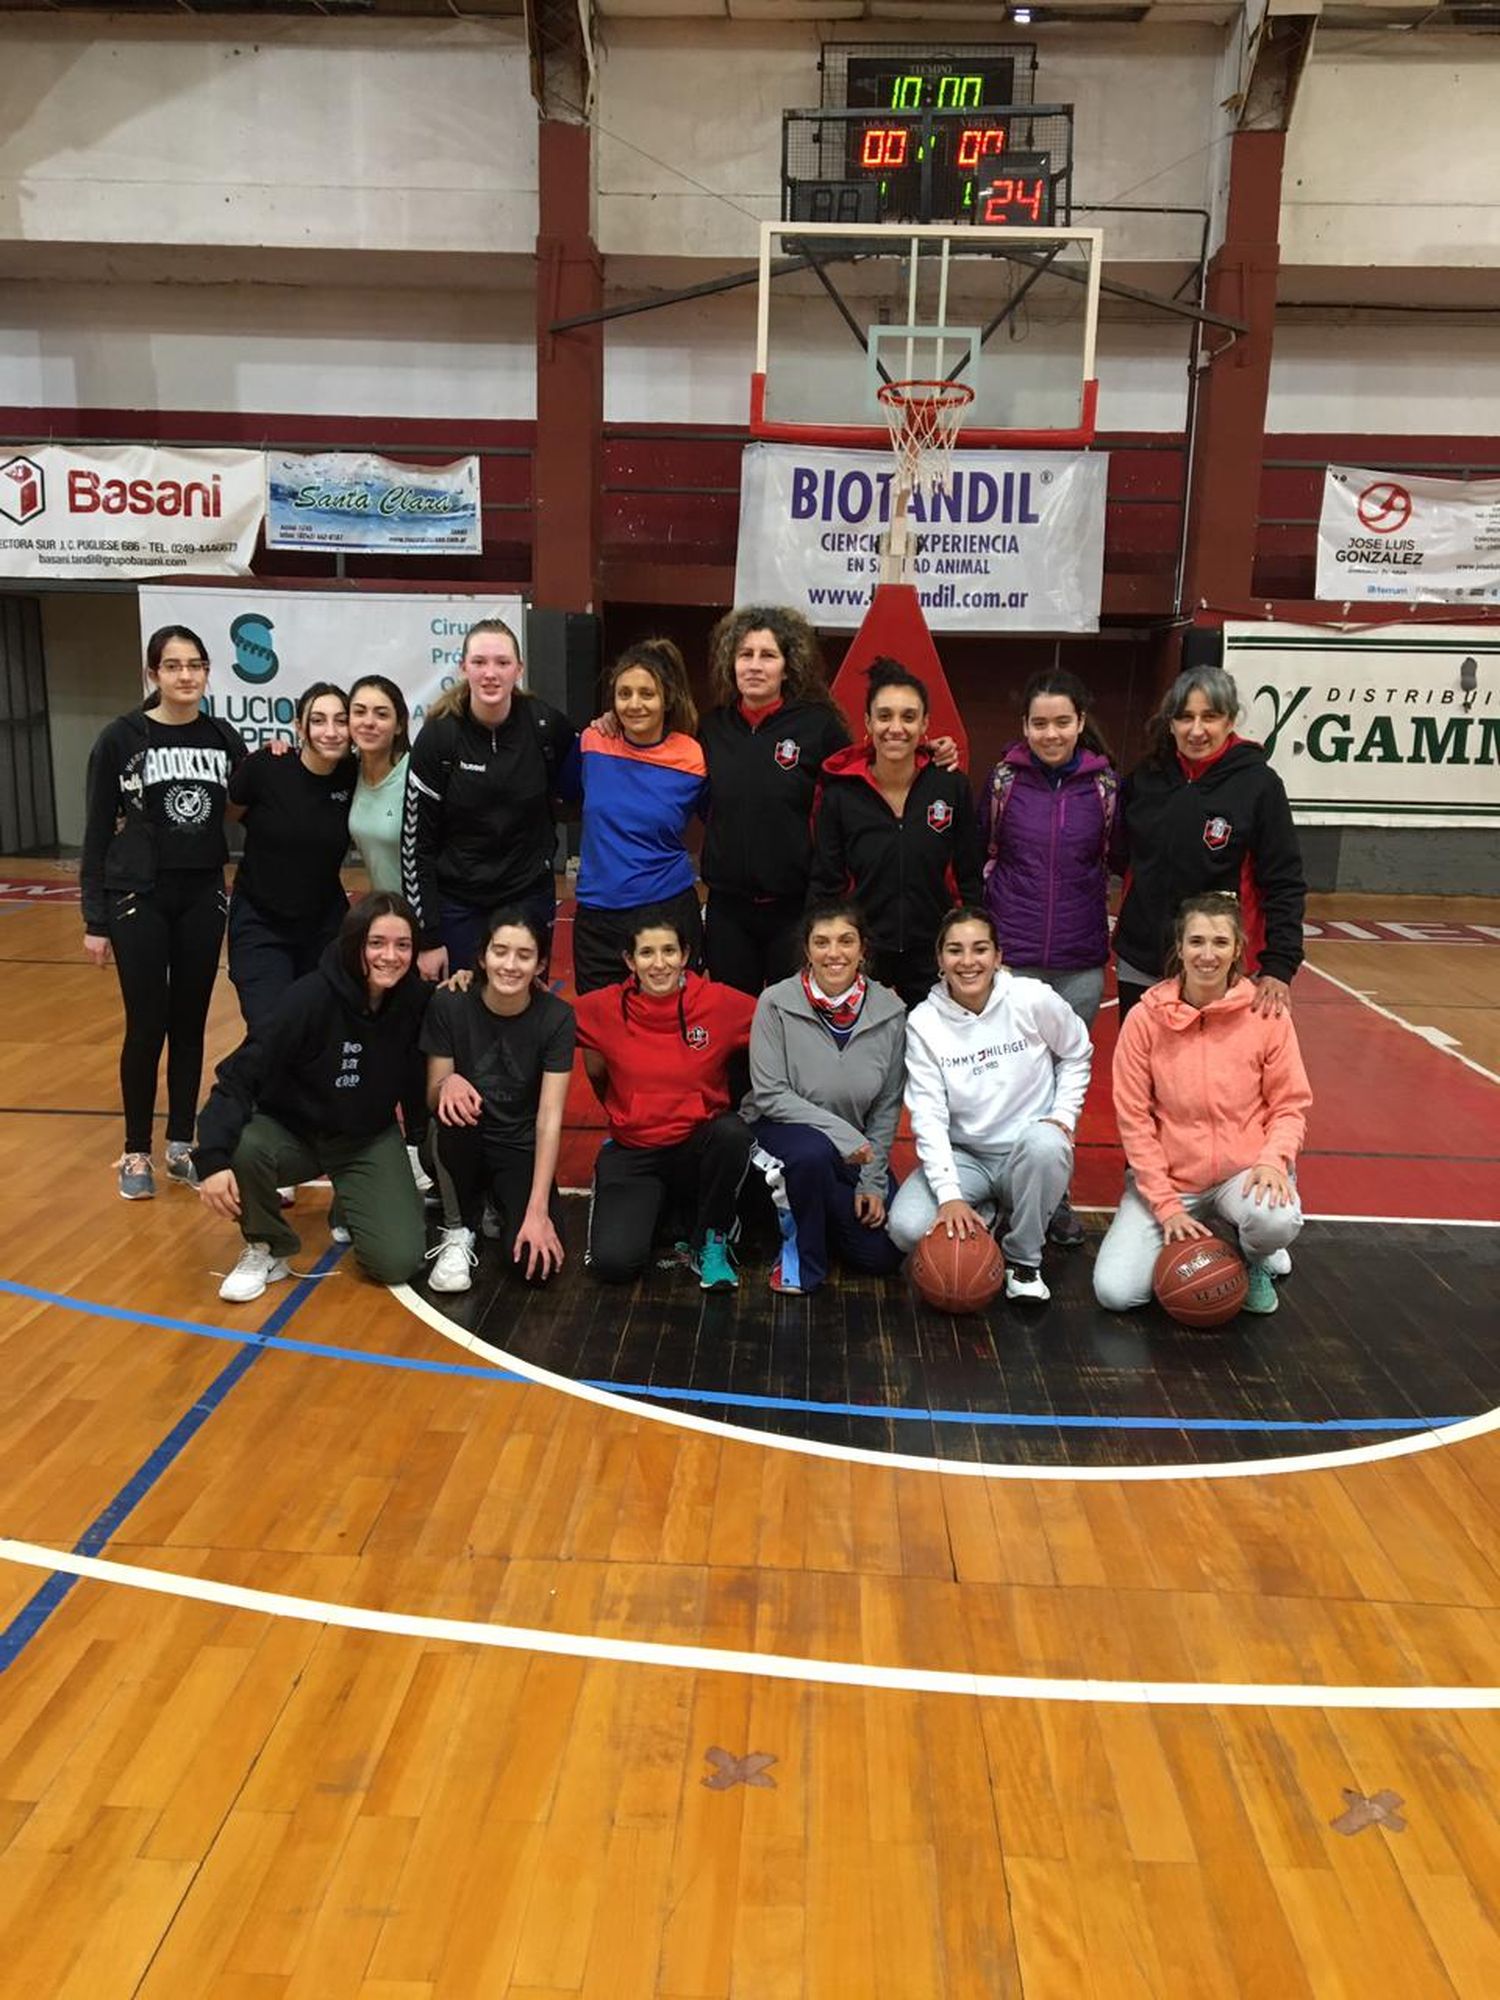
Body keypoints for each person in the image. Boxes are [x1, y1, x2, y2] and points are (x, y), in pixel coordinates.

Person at [192, 892, 429, 1303]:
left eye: (402, 945)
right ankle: (268, 1247)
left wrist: (467, 984)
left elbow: (465, 1018)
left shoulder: (415, 1001)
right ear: (354, 942)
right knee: (245, 1147)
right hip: (295, 1136)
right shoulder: (308, 999)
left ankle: (352, 1202)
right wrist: (211, 1158)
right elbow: (238, 1075)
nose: (390, 956)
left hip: (366, 1139)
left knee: (398, 1261)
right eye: (377, 943)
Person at [80, 624, 246, 1201]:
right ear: (154, 674)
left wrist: (278, 754)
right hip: (137, 898)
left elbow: (255, 795)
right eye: (173, 666)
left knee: (191, 1023)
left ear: (206, 672)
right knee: (146, 1024)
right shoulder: (121, 738)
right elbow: (97, 832)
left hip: (202, 896)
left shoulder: (223, 737)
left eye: (195, 665)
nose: (185, 676)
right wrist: (95, 920)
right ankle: (134, 1149)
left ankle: (180, 1142)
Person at [1093, 892, 1310, 1317]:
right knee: (1116, 1293)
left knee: (1276, 1219)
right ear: (1179, 947)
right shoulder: (1146, 1018)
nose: (1207, 954)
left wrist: (1273, 1160)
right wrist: (1167, 1207)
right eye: (1196, 942)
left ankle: (1255, 1257)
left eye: (1219, 943)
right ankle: (1194, 1239)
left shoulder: (1267, 1015)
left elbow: (1289, 1105)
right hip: (1172, 1179)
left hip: (1242, 1171)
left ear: (1237, 951)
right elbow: (1134, 1121)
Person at [887, 907, 1092, 1304]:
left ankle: (1023, 1259)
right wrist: (949, 1195)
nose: (967, 962)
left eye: (980, 949)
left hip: (1026, 1154)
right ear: (939, 960)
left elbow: (1077, 1053)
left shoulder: (1031, 998)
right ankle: (986, 1211)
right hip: (967, 1157)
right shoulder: (924, 1023)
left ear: (998, 956)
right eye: (955, 951)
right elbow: (927, 1116)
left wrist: (1063, 1116)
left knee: (1047, 1144)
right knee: (907, 1229)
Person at [979, 668, 1117, 1248]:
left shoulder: (1106, 787)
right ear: (1025, 727)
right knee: (1009, 1080)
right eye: (1040, 723)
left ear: (1081, 723)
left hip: (1079, 961)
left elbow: (1117, 858)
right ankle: (997, 1190)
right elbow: (982, 854)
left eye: (1063, 722)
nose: (1051, 733)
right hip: (1012, 960)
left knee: (1064, 1083)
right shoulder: (1003, 782)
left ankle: (1053, 1196)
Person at [1112, 662, 1305, 1024]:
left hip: (1216, 967)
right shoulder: (1145, 780)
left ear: (1230, 721)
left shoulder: (1259, 785)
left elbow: (1284, 882)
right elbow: (1120, 857)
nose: (1197, 730)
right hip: (1142, 963)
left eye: (1210, 716)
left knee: (1208, 1077)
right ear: (1171, 723)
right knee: (1142, 1074)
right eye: (1185, 717)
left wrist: (1279, 965)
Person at [574, 907, 756, 1291]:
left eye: (669, 951)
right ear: (629, 960)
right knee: (615, 1264)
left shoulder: (719, 1003)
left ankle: (712, 1242)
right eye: (646, 953)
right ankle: (666, 1213)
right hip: (634, 1151)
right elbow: (541, 1016)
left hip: (695, 1148)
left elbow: (778, 1014)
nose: (659, 964)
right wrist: (473, 984)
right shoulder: (602, 1007)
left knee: (732, 1132)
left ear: (685, 955)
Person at [744, 899, 907, 1296]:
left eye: (846, 941)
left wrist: (871, 1182)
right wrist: (845, 1136)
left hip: (852, 1154)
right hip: (780, 1134)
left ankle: (813, 1209)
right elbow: (770, 1095)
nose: (834, 953)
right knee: (812, 1151)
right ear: (807, 950)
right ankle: (801, 1260)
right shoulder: (775, 1002)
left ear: (863, 949)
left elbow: (886, 1107)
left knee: (882, 1254)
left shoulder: (891, 1011)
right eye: (822, 942)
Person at [401, 618, 575, 982]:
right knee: (462, 1013)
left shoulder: (546, 727)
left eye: (502, 662)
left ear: (519, 669)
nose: (490, 673)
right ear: (464, 667)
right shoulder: (439, 737)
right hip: (458, 905)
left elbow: (579, 784)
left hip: (528, 896)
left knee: (525, 1010)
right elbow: (416, 845)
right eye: (479, 662)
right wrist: (429, 937)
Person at [809, 660, 985, 1008]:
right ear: (868, 723)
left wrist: (969, 939)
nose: (896, 728)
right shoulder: (841, 795)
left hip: (933, 953)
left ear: (925, 725)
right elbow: (826, 883)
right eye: (885, 715)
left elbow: (968, 875)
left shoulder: (950, 787)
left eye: (908, 717)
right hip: (864, 955)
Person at [697, 605, 852, 994]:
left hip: (794, 909)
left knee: (791, 1020)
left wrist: (932, 752)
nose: (754, 665)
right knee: (734, 1023)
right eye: (745, 655)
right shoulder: (712, 728)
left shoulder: (818, 727)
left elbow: (861, 784)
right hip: (728, 909)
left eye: (768, 655)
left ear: (788, 665)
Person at [421, 908, 575, 1293]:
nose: (510, 965)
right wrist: (448, 1083)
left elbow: (549, 1117)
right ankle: (458, 1228)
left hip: (518, 1146)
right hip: (462, 1139)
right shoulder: (450, 1003)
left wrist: (538, 1211)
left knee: (535, 1268)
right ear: (482, 957)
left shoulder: (556, 1018)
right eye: (500, 951)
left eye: (524, 955)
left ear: (540, 964)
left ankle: (497, 1201)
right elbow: (432, 1094)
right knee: (452, 1111)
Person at [568, 638, 707, 995]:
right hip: (598, 915)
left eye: (647, 694)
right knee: (598, 1027)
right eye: (624, 693)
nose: (634, 704)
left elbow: (722, 821)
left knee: (666, 1028)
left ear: (667, 699)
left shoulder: (692, 756)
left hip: (666, 909)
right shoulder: (592, 742)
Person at [226, 682, 357, 1035]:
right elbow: (231, 811)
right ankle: (237, 1090)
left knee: (322, 1026)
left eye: (340, 720)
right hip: (260, 918)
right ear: (299, 727)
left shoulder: (354, 774)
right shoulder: (267, 766)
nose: (330, 731)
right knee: (271, 1027)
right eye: (318, 720)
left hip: (323, 923)